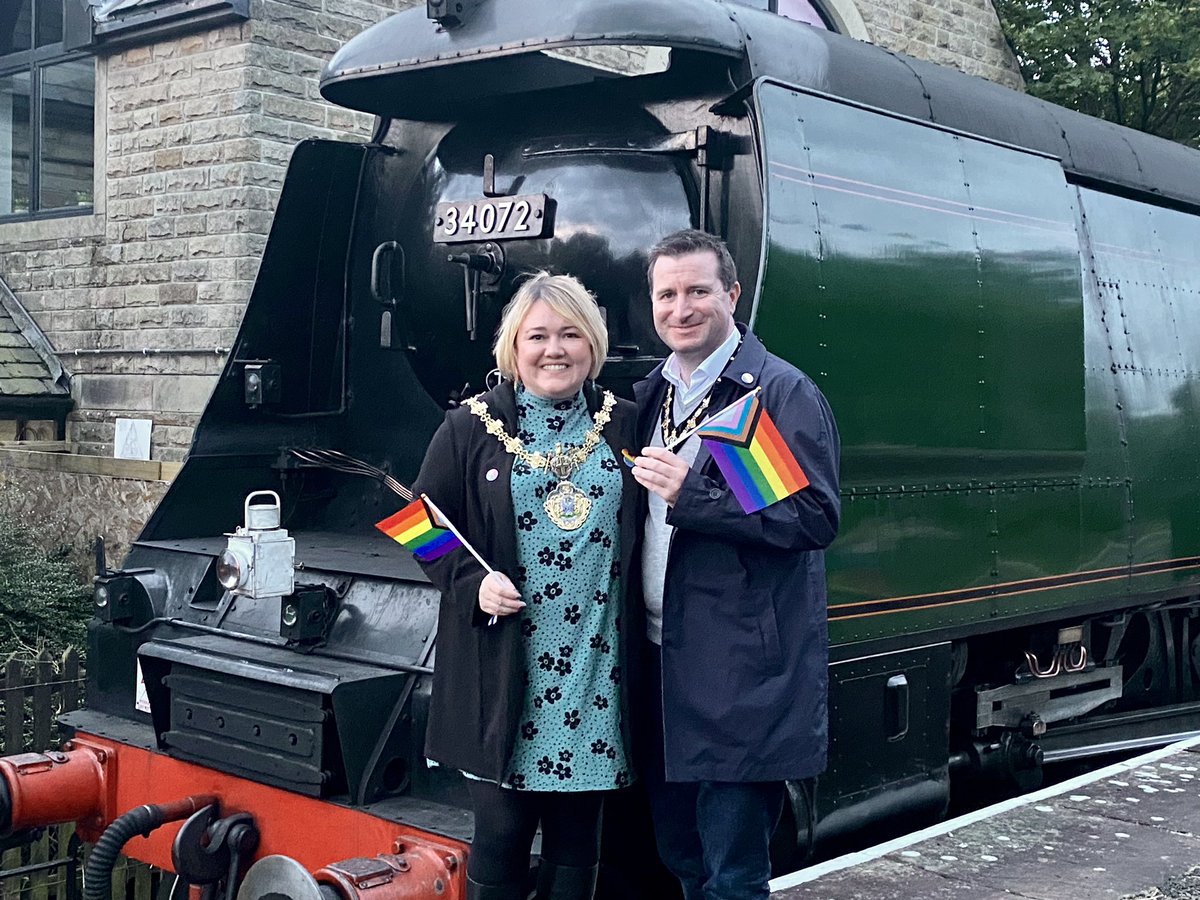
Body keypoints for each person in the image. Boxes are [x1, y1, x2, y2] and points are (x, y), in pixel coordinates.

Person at [412, 272, 642, 900]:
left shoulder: (625, 422)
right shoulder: (469, 427)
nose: (554, 349)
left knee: (578, 839)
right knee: (503, 833)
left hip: (597, 672)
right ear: (513, 349)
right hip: (502, 674)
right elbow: (417, 523)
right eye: (537, 335)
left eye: (570, 334)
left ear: (592, 345)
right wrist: (469, 584)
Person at [630, 230, 841, 900]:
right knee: (682, 856)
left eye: (697, 291)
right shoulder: (653, 398)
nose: (681, 307)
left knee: (732, 872)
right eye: (667, 293)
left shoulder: (771, 392)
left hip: (739, 674)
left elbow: (811, 518)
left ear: (731, 294)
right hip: (663, 661)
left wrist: (692, 496)